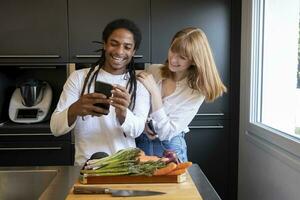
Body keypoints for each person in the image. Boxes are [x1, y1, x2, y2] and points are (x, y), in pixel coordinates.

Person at [50, 19, 150, 166]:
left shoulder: (138, 86)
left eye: (127, 47)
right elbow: (55, 128)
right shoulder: (79, 78)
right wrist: (75, 109)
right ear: (104, 44)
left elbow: (137, 131)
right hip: (86, 166)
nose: (119, 51)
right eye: (114, 43)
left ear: (133, 51)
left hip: (125, 167)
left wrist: (123, 113)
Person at [136, 27, 227, 162]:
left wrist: (155, 92)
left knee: (171, 183)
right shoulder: (154, 70)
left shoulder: (195, 91)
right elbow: (137, 105)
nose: (173, 60)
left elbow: (166, 133)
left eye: (182, 57)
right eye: (173, 50)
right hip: (140, 141)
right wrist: (142, 124)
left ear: (195, 60)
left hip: (170, 147)